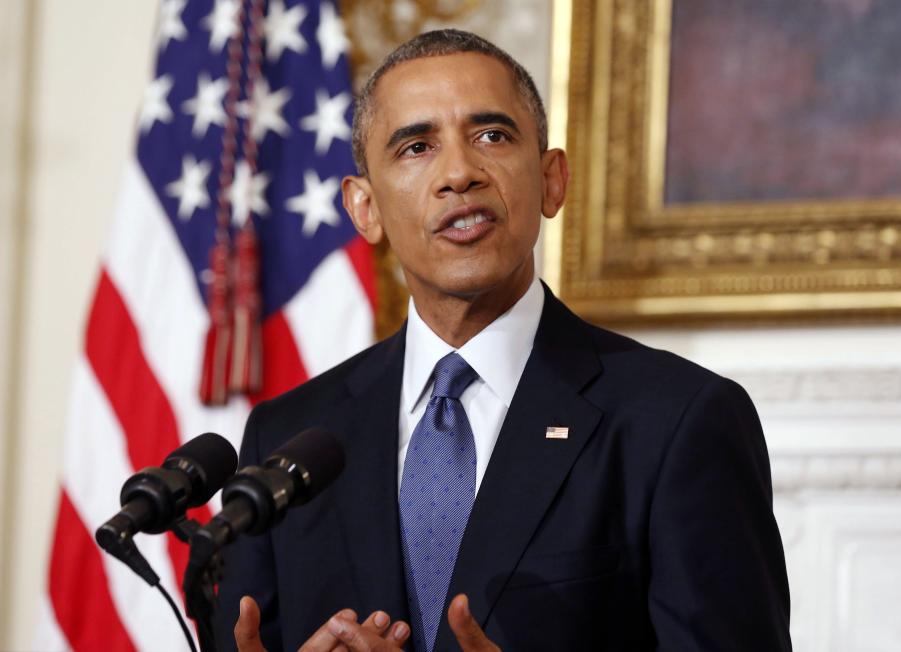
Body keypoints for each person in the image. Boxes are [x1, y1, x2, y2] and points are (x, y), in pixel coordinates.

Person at [216, 29, 792, 652]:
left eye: (492, 136)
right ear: (365, 208)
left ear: (551, 180)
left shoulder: (678, 421)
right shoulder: (290, 438)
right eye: (416, 146)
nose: (459, 173)